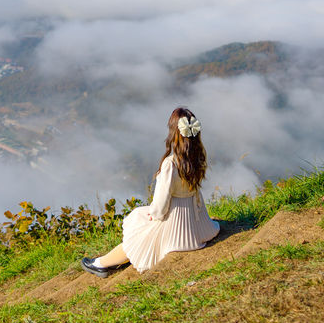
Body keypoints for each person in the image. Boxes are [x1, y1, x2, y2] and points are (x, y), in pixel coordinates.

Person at [81, 106, 220, 277]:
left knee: (140, 233)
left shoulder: (171, 163)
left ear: (173, 132)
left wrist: (154, 215)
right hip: (196, 218)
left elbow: (161, 203)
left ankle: (100, 264)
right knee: (140, 217)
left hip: (176, 222)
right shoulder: (197, 155)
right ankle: (102, 262)